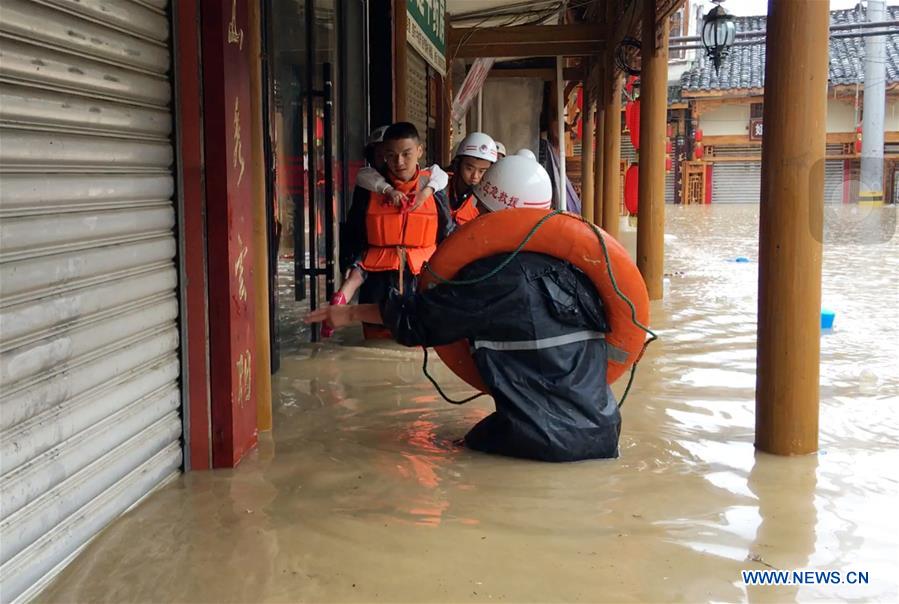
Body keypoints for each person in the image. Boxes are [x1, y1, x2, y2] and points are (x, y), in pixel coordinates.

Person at [306, 151, 621, 462]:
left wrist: (348, 312)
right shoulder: (576, 270)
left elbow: (419, 319)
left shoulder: (498, 277)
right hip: (604, 430)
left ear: (498, 217)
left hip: (538, 439)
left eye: (482, 212)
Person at [328, 126, 449, 337]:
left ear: (419, 151)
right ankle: (334, 313)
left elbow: (447, 232)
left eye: (406, 154)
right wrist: (350, 262)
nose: (399, 162)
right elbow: (355, 227)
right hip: (378, 279)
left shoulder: (434, 187)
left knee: (419, 339)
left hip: (420, 276)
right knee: (374, 347)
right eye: (391, 155)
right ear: (384, 155)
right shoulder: (370, 186)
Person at [445, 132, 498, 227]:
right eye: (469, 168)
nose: (475, 176)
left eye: (482, 171)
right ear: (458, 164)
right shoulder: (439, 185)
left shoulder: (486, 201)